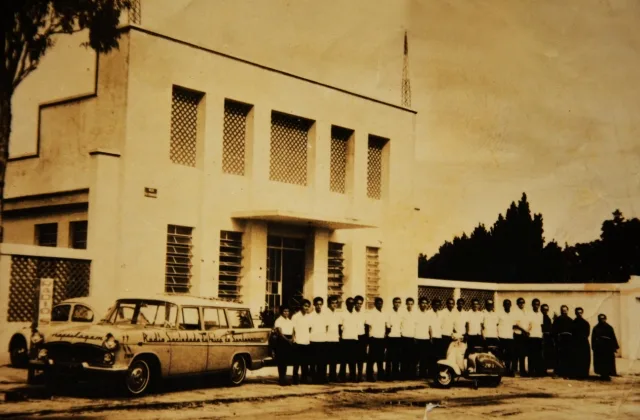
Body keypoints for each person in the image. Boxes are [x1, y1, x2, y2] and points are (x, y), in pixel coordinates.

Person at [591, 314, 619, 380]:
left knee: (608, 361)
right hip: (599, 347)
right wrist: (593, 346)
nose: (602, 320)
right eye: (600, 319)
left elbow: (613, 337)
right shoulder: (596, 328)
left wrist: (614, 347)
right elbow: (593, 338)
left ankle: (607, 374)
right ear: (598, 319)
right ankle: (602, 374)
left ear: (605, 319)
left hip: (607, 347)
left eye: (603, 318)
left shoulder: (609, 327)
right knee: (600, 361)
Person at [365, 297, 386, 381]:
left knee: (380, 358)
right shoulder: (371, 313)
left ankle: (380, 375)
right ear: (375, 304)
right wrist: (368, 338)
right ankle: (369, 376)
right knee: (372, 358)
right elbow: (367, 326)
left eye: (381, 303)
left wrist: (385, 334)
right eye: (378, 303)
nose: (380, 305)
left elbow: (387, 325)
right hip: (373, 338)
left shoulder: (383, 313)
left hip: (381, 337)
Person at [292, 299, 312, 384]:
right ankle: (295, 379)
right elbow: (292, 329)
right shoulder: (295, 316)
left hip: (306, 341)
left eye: (308, 306)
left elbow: (310, 328)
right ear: (301, 306)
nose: (306, 308)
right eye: (305, 306)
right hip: (298, 341)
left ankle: (304, 379)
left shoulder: (309, 317)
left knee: (305, 362)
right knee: (296, 362)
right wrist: (293, 338)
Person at [339, 297, 359, 382]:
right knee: (344, 359)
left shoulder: (356, 314)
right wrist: (340, 337)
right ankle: (342, 377)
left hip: (354, 338)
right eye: (349, 303)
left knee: (353, 359)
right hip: (345, 339)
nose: (351, 305)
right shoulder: (342, 314)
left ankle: (353, 377)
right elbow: (339, 327)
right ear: (346, 304)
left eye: (352, 303)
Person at [308, 297, 328, 383]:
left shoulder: (325, 315)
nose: (319, 306)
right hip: (313, 340)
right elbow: (308, 329)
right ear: (314, 305)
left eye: (320, 304)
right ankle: (314, 378)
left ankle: (322, 378)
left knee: (323, 361)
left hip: (322, 340)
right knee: (313, 361)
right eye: (317, 304)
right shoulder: (311, 316)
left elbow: (327, 327)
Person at [274, 305, 294, 386]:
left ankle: (284, 378)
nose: (286, 313)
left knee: (286, 360)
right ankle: (281, 379)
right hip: (281, 341)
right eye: (285, 311)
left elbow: (293, 331)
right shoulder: (278, 320)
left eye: (288, 311)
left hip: (289, 340)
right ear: (281, 312)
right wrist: (287, 340)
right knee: (281, 361)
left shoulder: (289, 321)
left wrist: (292, 338)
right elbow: (280, 333)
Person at [552, 305, 573, 378]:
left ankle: (566, 373)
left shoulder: (571, 320)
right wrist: (556, 339)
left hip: (568, 340)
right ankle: (557, 373)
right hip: (560, 340)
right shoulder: (557, 320)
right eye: (563, 310)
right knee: (558, 356)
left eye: (565, 310)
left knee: (567, 356)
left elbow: (573, 332)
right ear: (561, 311)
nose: (564, 311)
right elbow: (554, 330)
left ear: (567, 311)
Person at [386, 297, 403, 381]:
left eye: (399, 302)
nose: (397, 304)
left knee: (397, 357)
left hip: (398, 337)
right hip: (391, 337)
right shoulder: (389, 312)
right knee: (389, 357)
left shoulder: (401, 313)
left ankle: (395, 374)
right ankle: (388, 375)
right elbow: (387, 324)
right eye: (396, 302)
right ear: (393, 303)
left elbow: (402, 325)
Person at [415, 297, 433, 378]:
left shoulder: (429, 314)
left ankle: (422, 374)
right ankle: (414, 374)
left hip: (426, 338)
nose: (424, 304)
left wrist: (431, 337)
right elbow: (414, 326)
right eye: (422, 303)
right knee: (416, 357)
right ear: (419, 304)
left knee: (424, 357)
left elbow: (430, 327)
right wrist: (414, 337)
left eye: (426, 303)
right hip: (417, 338)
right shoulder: (416, 313)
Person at [325, 295, 342, 382]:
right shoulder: (325, 313)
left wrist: (338, 336)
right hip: (327, 339)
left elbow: (338, 326)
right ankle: (325, 377)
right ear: (328, 304)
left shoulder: (337, 314)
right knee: (326, 359)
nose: (334, 305)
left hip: (335, 338)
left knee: (334, 359)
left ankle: (333, 376)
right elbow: (325, 327)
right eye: (332, 303)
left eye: (336, 303)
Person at [401, 297, 418, 379]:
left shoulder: (415, 314)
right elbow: (400, 325)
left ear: (413, 304)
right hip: (404, 337)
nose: (410, 305)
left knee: (412, 357)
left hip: (412, 337)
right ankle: (404, 374)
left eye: (411, 304)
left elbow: (416, 326)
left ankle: (412, 375)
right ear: (406, 304)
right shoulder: (403, 313)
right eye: (408, 304)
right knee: (404, 357)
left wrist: (415, 336)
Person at [572, 307, 591, 379]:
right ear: (575, 313)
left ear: (582, 313)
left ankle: (584, 374)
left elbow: (587, 333)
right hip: (575, 343)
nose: (579, 314)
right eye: (577, 313)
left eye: (580, 312)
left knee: (584, 358)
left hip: (583, 343)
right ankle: (576, 374)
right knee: (576, 358)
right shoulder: (573, 323)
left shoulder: (585, 323)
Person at [527, 298, 544, 377]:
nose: (536, 306)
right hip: (532, 337)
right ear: (532, 305)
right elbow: (529, 325)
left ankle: (538, 372)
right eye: (535, 304)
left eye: (538, 304)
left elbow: (541, 326)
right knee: (531, 355)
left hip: (539, 337)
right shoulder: (529, 314)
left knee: (538, 355)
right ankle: (531, 372)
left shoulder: (541, 314)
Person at [498, 299, 515, 376]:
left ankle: (508, 370)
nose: (507, 306)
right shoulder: (500, 314)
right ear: (503, 305)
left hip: (510, 337)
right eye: (506, 304)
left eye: (508, 304)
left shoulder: (513, 314)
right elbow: (496, 325)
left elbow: (514, 325)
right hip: (501, 336)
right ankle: (501, 370)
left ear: (511, 305)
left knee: (510, 354)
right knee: (501, 354)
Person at [512, 297, 528, 376]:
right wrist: (525, 331)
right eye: (520, 303)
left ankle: (522, 370)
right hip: (517, 334)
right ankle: (514, 370)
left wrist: (527, 331)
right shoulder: (515, 312)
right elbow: (516, 325)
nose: (521, 304)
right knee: (516, 353)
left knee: (523, 353)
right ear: (517, 304)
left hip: (524, 335)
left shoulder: (525, 312)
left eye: (523, 302)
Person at [354, 295, 367, 382]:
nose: (359, 305)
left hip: (362, 336)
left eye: (360, 303)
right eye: (357, 303)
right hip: (353, 337)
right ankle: (353, 376)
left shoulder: (364, 313)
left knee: (361, 358)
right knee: (353, 357)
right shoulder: (352, 313)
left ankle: (360, 375)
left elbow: (366, 326)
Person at [430, 298, 444, 374]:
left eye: (438, 305)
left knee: (438, 356)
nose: (437, 306)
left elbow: (441, 325)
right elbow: (429, 326)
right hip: (432, 337)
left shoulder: (440, 313)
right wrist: (431, 337)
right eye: (435, 304)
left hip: (439, 336)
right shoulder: (429, 313)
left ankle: (436, 372)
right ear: (432, 305)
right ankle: (430, 372)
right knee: (431, 355)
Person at [541, 304, 555, 373]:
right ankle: (542, 369)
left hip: (548, 338)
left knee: (548, 353)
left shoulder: (547, 317)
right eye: (544, 309)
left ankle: (545, 368)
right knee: (543, 354)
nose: (545, 311)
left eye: (547, 309)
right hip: (543, 337)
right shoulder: (540, 317)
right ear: (541, 310)